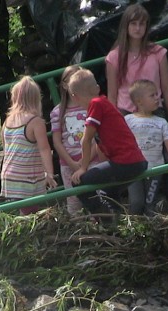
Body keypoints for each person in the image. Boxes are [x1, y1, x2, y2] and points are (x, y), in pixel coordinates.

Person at [68, 69, 147, 214]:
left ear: (74, 97)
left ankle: (105, 221)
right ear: (97, 88)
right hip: (135, 161)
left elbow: (86, 140)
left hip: (126, 162)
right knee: (108, 191)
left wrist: (83, 168)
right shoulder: (103, 103)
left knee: (77, 182)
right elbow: (100, 143)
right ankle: (118, 223)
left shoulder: (96, 105)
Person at [106, 4, 168, 139]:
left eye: (142, 24)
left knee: (167, 153)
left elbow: (167, 88)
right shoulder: (114, 57)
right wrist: (115, 125)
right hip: (126, 113)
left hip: (155, 110)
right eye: (133, 23)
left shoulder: (158, 52)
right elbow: (112, 95)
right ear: (126, 26)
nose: (138, 28)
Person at [49, 65, 106, 215]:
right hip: (69, 164)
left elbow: (98, 136)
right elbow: (57, 141)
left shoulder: (92, 106)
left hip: (93, 159)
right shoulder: (57, 111)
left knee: (98, 196)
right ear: (64, 85)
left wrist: (85, 161)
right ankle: (78, 233)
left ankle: (102, 227)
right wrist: (73, 163)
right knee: (74, 202)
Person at [0, 76, 58, 214]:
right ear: (37, 98)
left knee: (17, 214)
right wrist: (49, 173)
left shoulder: (8, 121)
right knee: (29, 213)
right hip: (27, 177)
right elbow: (44, 149)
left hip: (9, 176)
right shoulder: (36, 122)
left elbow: (5, 147)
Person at [124, 80, 168, 216]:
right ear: (139, 101)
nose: (157, 98)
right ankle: (133, 230)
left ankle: (150, 231)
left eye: (157, 94)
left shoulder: (161, 121)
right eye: (152, 95)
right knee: (137, 202)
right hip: (134, 170)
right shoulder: (128, 120)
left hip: (155, 170)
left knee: (151, 203)